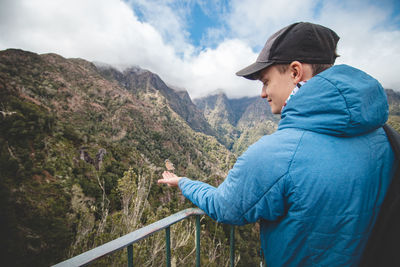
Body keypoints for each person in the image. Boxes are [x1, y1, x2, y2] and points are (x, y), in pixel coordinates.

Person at [158, 22, 395, 266]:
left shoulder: (275, 154)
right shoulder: (383, 136)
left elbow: (224, 207)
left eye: (265, 81)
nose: (262, 93)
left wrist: (184, 183)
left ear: (295, 72)